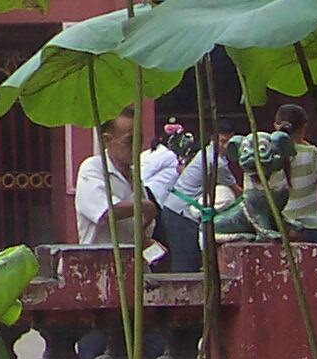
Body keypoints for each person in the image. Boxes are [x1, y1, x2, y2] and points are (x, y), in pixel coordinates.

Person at [273, 103, 317, 359]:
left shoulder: (268, 155)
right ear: (304, 128)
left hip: (281, 230)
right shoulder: (312, 153)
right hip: (311, 228)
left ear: (276, 126)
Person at [74, 108, 160, 251]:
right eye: (129, 141)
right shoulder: (93, 169)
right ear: (107, 139)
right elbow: (107, 212)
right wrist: (144, 206)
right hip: (101, 262)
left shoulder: (135, 177)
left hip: (132, 263)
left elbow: (141, 229)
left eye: (140, 140)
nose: (136, 148)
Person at [160, 128, 237, 274]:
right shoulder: (215, 160)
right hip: (181, 212)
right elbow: (235, 190)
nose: (225, 145)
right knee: (185, 261)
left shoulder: (208, 154)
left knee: (188, 258)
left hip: (178, 208)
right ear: (214, 139)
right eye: (222, 141)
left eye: (229, 142)